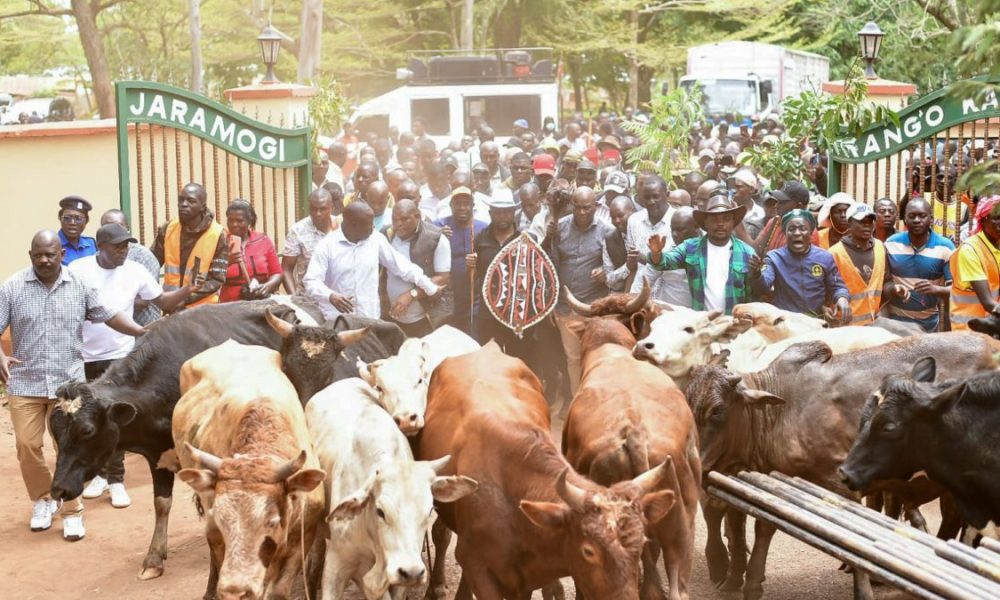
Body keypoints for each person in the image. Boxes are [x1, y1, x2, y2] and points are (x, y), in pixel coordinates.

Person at [0, 230, 145, 541]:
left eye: (50, 254)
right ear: (30, 255)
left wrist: (142, 332)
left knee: (70, 448)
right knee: (27, 446)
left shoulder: (80, 285)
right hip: (25, 382)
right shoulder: (12, 287)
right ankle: (42, 500)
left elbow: (110, 316)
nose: (44, 259)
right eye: (38, 254)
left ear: (61, 255)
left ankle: (72, 511)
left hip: (68, 389)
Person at [70, 224, 191, 509]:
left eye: (126, 245)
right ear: (101, 246)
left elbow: (160, 300)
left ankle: (116, 480)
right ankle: (99, 475)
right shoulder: (78, 269)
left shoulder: (135, 270)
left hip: (122, 355)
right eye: (117, 246)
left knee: (112, 418)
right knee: (88, 419)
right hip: (83, 356)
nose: (123, 251)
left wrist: (188, 290)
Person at [304, 201, 440, 320]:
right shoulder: (326, 246)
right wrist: (331, 296)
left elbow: (402, 266)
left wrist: (430, 288)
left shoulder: (375, 239)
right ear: (353, 225)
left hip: (369, 320)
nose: (373, 227)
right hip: (338, 323)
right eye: (369, 224)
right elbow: (311, 281)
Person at [647, 196, 756, 314]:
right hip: (702, 323)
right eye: (714, 219)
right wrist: (656, 253)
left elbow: (758, 292)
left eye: (726, 219)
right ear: (705, 223)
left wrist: (758, 274)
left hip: (734, 324)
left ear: (733, 222)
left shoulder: (747, 252)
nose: (720, 224)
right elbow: (664, 263)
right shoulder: (690, 248)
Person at [552, 187, 613, 395]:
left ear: (596, 206)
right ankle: (578, 398)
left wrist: (605, 271)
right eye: (577, 207)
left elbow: (617, 265)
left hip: (593, 307)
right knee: (573, 358)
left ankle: (596, 396)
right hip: (565, 307)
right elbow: (551, 263)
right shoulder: (560, 227)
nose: (581, 212)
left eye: (586, 208)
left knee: (595, 355)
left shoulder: (606, 230)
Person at [750, 209, 851, 322]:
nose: (797, 233)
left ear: (811, 232)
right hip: (786, 324)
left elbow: (837, 287)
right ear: (785, 233)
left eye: (802, 229)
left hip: (816, 322)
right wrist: (756, 274)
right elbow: (763, 287)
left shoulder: (824, 257)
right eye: (791, 229)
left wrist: (842, 298)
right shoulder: (774, 258)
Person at [151, 182, 228, 308]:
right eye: (181, 200)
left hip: (203, 309)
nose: (184, 204)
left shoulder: (217, 234)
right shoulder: (168, 228)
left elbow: (216, 279)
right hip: (170, 306)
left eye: (191, 201)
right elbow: (152, 263)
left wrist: (184, 299)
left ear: (202, 207)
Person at [381, 199, 451, 336]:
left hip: (425, 317)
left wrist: (411, 295)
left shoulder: (436, 238)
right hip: (391, 318)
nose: (398, 224)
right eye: (394, 220)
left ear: (417, 216)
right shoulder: (386, 234)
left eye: (404, 219)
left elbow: (443, 279)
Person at [884, 197, 954, 332]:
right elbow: (882, 282)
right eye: (912, 216)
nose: (917, 220)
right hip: (895, 325)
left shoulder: (946, 247)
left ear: (931, 219)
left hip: (928, 325)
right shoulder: (891, 244)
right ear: (905, 219)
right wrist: (893, 288)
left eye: (922, 216)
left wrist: (936, 289)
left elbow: (957, 290)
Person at [469, 189, 521, 348]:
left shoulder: (524, 240)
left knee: (516, 355)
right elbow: (473, 278)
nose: (502, 216)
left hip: (515, 312)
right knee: (489, 355)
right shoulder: (479, 238)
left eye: (507, 212)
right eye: (498, 212)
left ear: (514, 213)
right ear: (491, 213)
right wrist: (470, 266)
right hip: (488, 312)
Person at [434, 187, 488, 336]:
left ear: (473, 206)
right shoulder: (440, 225)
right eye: (458, 204)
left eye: (466, 203)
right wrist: (437, 236)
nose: (462, 207)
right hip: (450, 298)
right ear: (451, 206)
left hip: (476, 299)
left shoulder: (484, 228)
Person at [829, 204, 892, 326]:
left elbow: (886, 281)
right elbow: (827, 291)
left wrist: (894, 289)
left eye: (870, 221)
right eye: (861, 222)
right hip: (844, 327)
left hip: (873, 326)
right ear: (849, 224)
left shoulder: (880, 247)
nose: (867, 225)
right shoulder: (834, 253)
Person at [99, 209, 163, 326]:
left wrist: (106, 303)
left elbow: (143, 301)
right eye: (107, 226)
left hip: (144, 328)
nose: (113, 231)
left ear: (128, 229)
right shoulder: (98, 256)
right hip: (113, 333)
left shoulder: (144, 257)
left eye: (118, 226)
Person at [949, 195, 1000, 330]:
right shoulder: (970, 250)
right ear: (983, 220)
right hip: (968, 330)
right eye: (997, 218)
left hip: (992, 327)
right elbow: (988, 302)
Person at [219, 200, 282, 303]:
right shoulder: (220, 244)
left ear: (249, 221)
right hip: (229, 305)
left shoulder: (263, 240)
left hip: (261, 301)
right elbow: (210, 276)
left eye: (240, 221)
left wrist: (267, 286)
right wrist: (226, 262)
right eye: (230, 220)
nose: (234, 224)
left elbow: (277, 273)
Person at [282, 188, 338, 296]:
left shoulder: (342, 227)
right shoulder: (297, 231)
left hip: (339, 299)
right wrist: (295, 299)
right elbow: (286, 269)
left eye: (323, 209)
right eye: (313, 209)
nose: (318, 213)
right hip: (308, 299)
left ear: (332, 208)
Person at [626, 176, 675, 297]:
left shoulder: (678, 220)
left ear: (667, 195)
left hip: (671, 297)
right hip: (640, 293)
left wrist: (645, 258)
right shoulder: (634, 220)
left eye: (656, 196)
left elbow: (675, 262)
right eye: (646, 197)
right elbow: (632, 265)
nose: (651, 201)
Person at [602, 195, 637, 293]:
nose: (617, 221)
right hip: (620, 297)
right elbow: (608, 279)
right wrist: (627, 268)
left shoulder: (645, 233)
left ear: (633, 211)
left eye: (621, 215)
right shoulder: (609, 239)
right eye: (613, 217)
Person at [57, 196, 97, 265]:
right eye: (67, 218)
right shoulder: (52, 244)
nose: (72, 222)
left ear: (86, 221)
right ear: (60, 219)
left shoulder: (91, 243)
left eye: (78, 218)